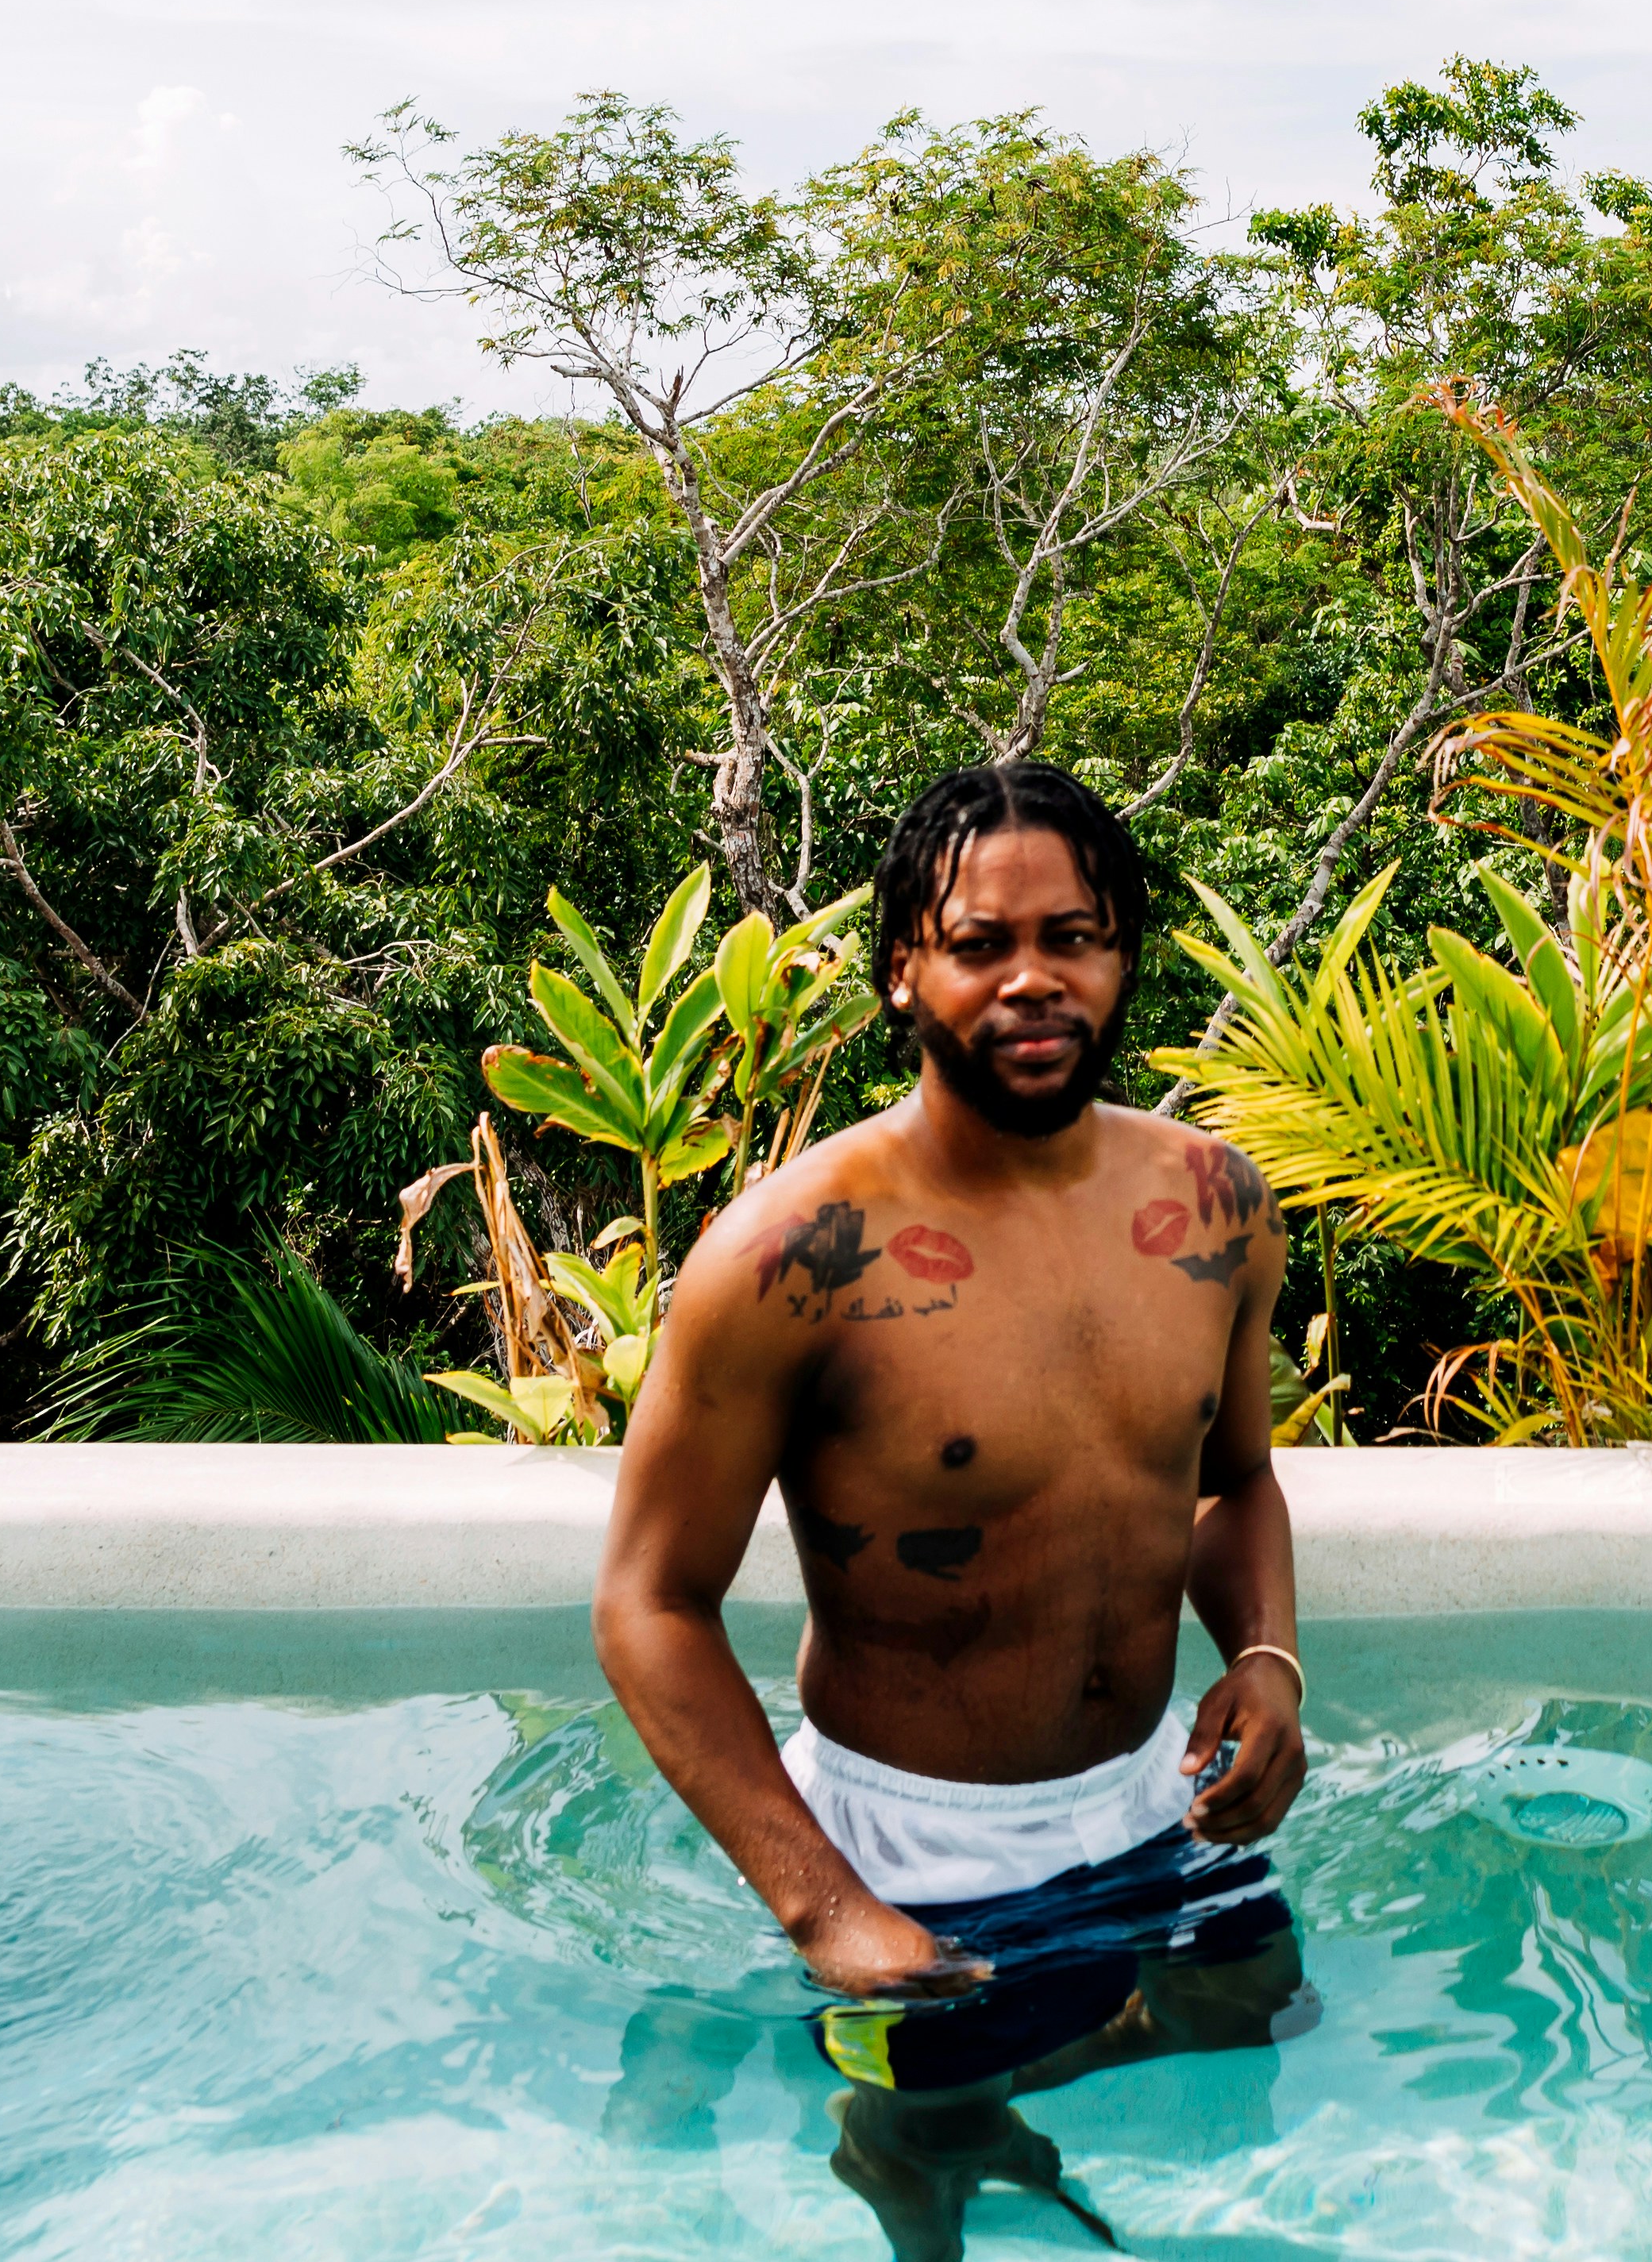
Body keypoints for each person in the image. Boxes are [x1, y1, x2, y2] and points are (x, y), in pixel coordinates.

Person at [595, 761, 1310, 2252]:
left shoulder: (1219, 1211)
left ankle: (964, 2108)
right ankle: (912, 2136)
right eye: (981, 945)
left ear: (1125, 956)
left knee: (1258, 2030)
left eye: (1076, 937)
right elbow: (649, 1605)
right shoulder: (790, 1257)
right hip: (916, 1850)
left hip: (1150, 1806)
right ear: (902, 975)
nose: (1033, 980)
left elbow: (1233, 1480)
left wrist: (1265, 1658)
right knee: (930, 2175)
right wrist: (825, 1911)